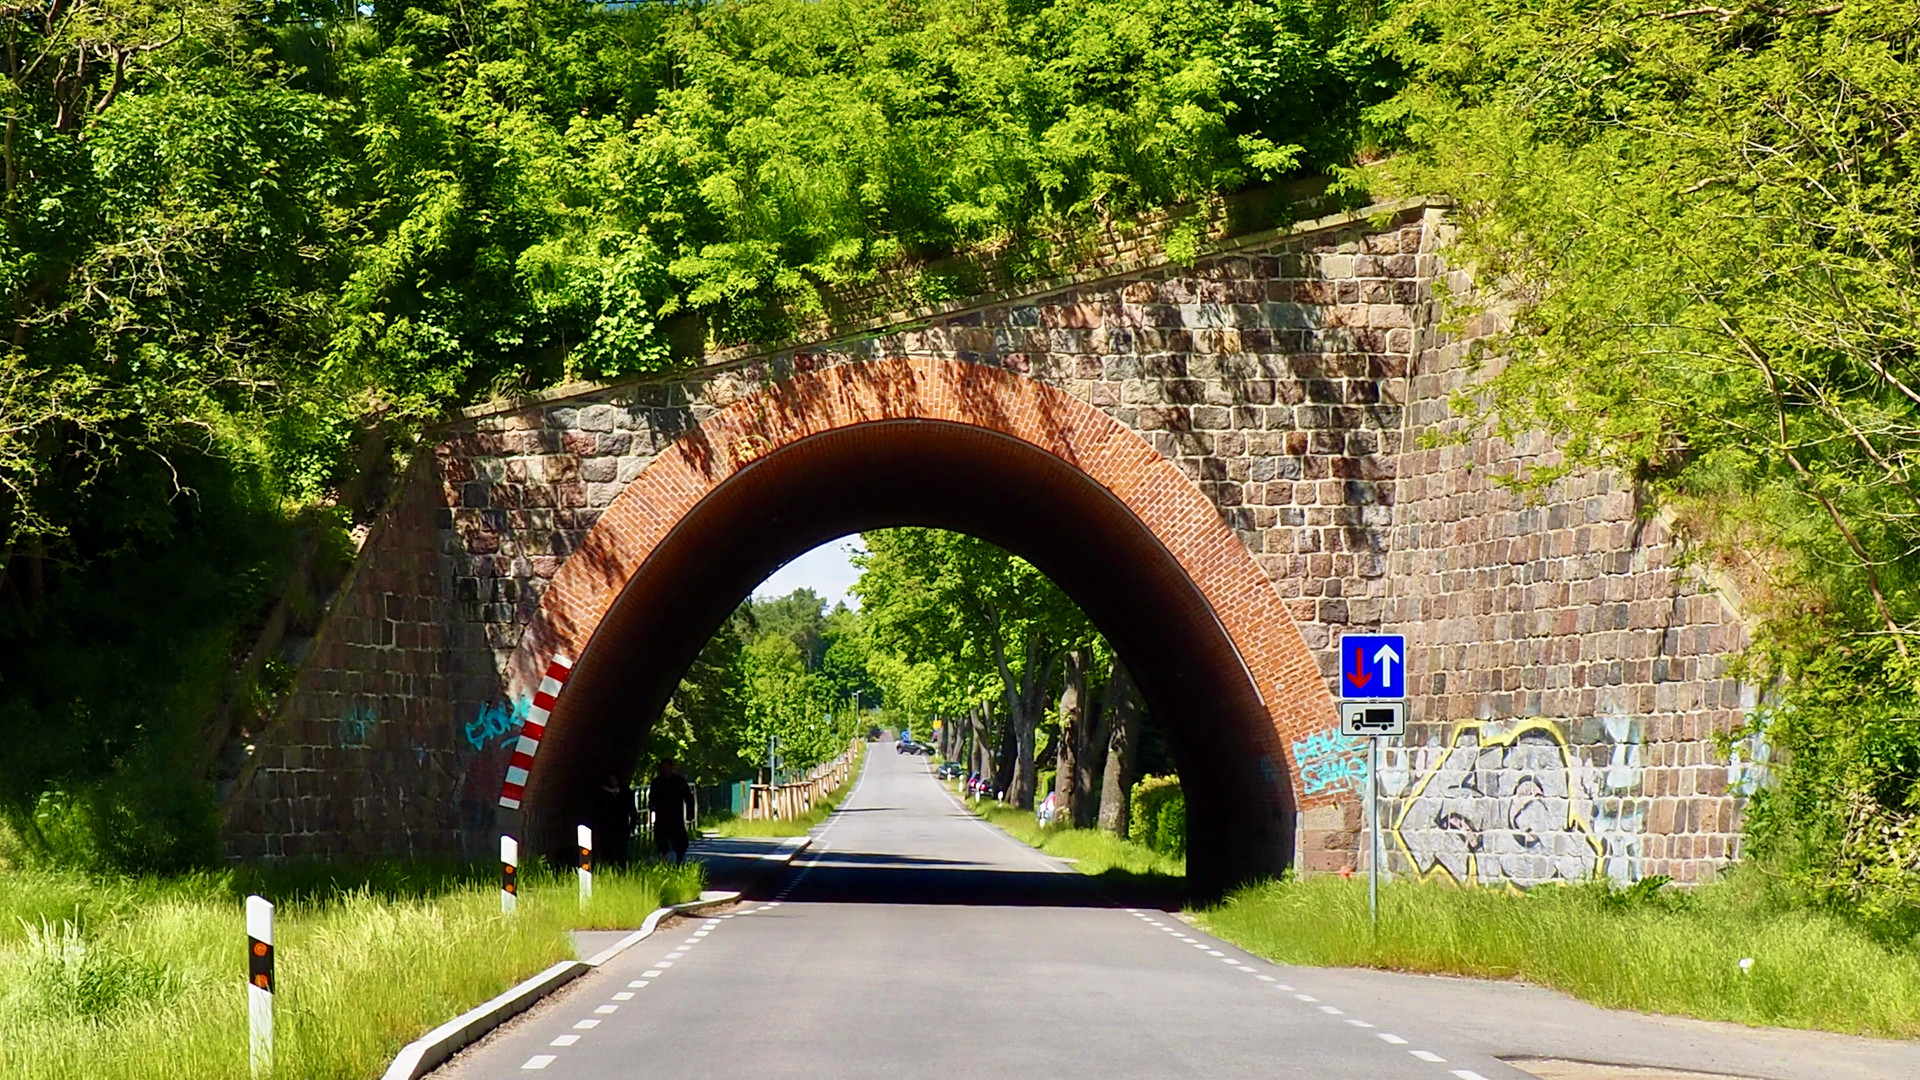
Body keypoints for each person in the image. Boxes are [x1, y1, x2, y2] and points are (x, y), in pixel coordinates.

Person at [649, 757, 696, 865]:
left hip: (676, 817)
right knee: (661, 841)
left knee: (682, 842)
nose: (665, 770)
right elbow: (652, 799)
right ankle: (666, 860)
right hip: (662, 817)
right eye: (663, 768)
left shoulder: (679, 782)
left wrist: (690, 813)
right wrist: (652, 807)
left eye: (667, 767)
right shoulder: (656, 783)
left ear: (671, 768)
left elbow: (688, 798)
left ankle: (678, 860)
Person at [594, 773, 633, 867]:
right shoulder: (603, 794)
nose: (613, 782)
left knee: (622, 850)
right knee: (607, 849)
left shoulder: (625, 792)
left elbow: (631, 809)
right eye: (611, 780)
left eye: (615, 779)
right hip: (607, 826)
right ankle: (610, 866)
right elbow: (598, 810)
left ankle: (622, 867)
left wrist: (632, 825)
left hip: (622, 825)